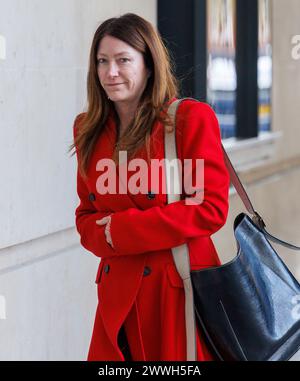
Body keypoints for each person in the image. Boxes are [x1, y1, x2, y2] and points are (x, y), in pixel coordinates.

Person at [69, 13, 230, 361]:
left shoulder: (189, 119)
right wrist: (104, 236)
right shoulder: (88, 129)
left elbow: (210, 208)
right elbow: (86, 215)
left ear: (149, 64)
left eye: (123, 60)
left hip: (178, 293)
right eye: (102, 61)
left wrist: (123, 230)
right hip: (117, 294)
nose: (110, 72)